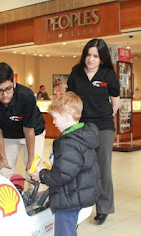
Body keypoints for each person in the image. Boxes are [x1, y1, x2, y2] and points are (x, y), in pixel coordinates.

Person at [31, 91, 101, 236]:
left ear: (67, 117)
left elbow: (62, 175)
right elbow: (68, 167)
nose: (54, 122)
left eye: (55, 118)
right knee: (69, 228)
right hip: (78, 191)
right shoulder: (81, 135)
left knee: (64, 232)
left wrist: (42, 175)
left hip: (69, 197)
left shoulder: (68, 143)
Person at [67, 38, 120, 225]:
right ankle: (80, 205)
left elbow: (116, 101)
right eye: (88, 55)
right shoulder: (76, 75)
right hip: (81, 126)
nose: (91, 59)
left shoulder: (108, 75)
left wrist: (106, 115)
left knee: (103, 168)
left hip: (104, 126)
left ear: (102, 58)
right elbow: (70, 100)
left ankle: (103, 207)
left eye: (95, 56)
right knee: (81, 167)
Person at [0, 62, 46, 179]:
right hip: (8, 134)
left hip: (33, 133)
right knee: (4, 171)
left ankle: (35, 196)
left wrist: (31, 159)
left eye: (8, 89)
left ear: (14, 83)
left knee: (33, 172)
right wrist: (2, 157)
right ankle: (8, 197)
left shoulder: (26, 95)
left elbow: (29, 129)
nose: (5, 95)